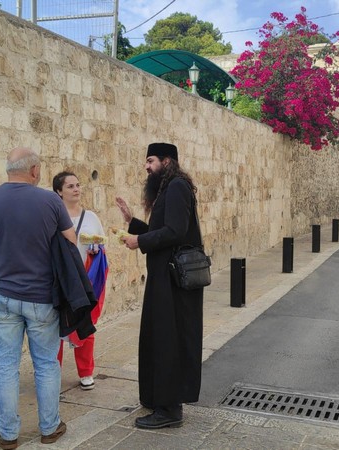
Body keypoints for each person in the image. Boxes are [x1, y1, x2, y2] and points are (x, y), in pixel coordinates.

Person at [0, 148, 75, 450]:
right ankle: (49, 428)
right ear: (34, 170)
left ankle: (8, 434)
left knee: (5, 366)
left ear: (9, 169)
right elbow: (70, 244)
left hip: (1, 298)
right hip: (42, 298)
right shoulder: (51, 201)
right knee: (46, 363)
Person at [115, 142, 204, 430]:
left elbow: (175, 232)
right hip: (163, 278)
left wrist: (139, 241)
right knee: (158, 338)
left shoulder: (177, 186)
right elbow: (162, 231)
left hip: (173, 282)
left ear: (167, 161)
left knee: (169, 341)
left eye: (151, 160)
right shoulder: (170, 188)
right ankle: (158, 398)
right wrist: (133, 223)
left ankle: (170, 409)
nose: (146, 166)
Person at [52, 171, 108, 391]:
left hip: (85, 277)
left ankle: (86, 372)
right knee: (55, 326)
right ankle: (52, 372)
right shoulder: (53, 216)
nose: (76, 189)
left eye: (78, 184)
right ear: (59, 192)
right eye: (70, 186)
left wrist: (97, 248)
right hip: (60, 278)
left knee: (86, 323)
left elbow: (102, 243)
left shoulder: (91, 217)